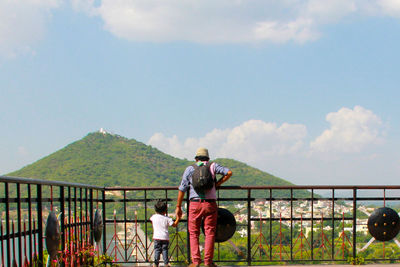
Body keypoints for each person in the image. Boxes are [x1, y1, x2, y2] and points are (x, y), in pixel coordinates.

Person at [175, 148, 232, 267]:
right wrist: (217, 184)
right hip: (210, 204)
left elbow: (182, 189)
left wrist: (178, 206)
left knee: (194, 233)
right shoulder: (213, 166)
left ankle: (196, 261)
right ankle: (208, 262)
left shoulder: (190, 169)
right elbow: (229, 173)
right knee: (210, 232)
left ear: (196, 158)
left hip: (195, 204)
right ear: (208, 158)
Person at [150, 199, 180, 267]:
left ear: (155, 210)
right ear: (165, 210)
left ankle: (155, 263)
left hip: (156, 237)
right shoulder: (167, 219)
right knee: (165, 250)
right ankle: (166, 263)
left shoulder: (153, 217)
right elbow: (174, 225)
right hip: (165, 237)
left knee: (157, 250)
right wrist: (178, 218)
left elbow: (151, 219)